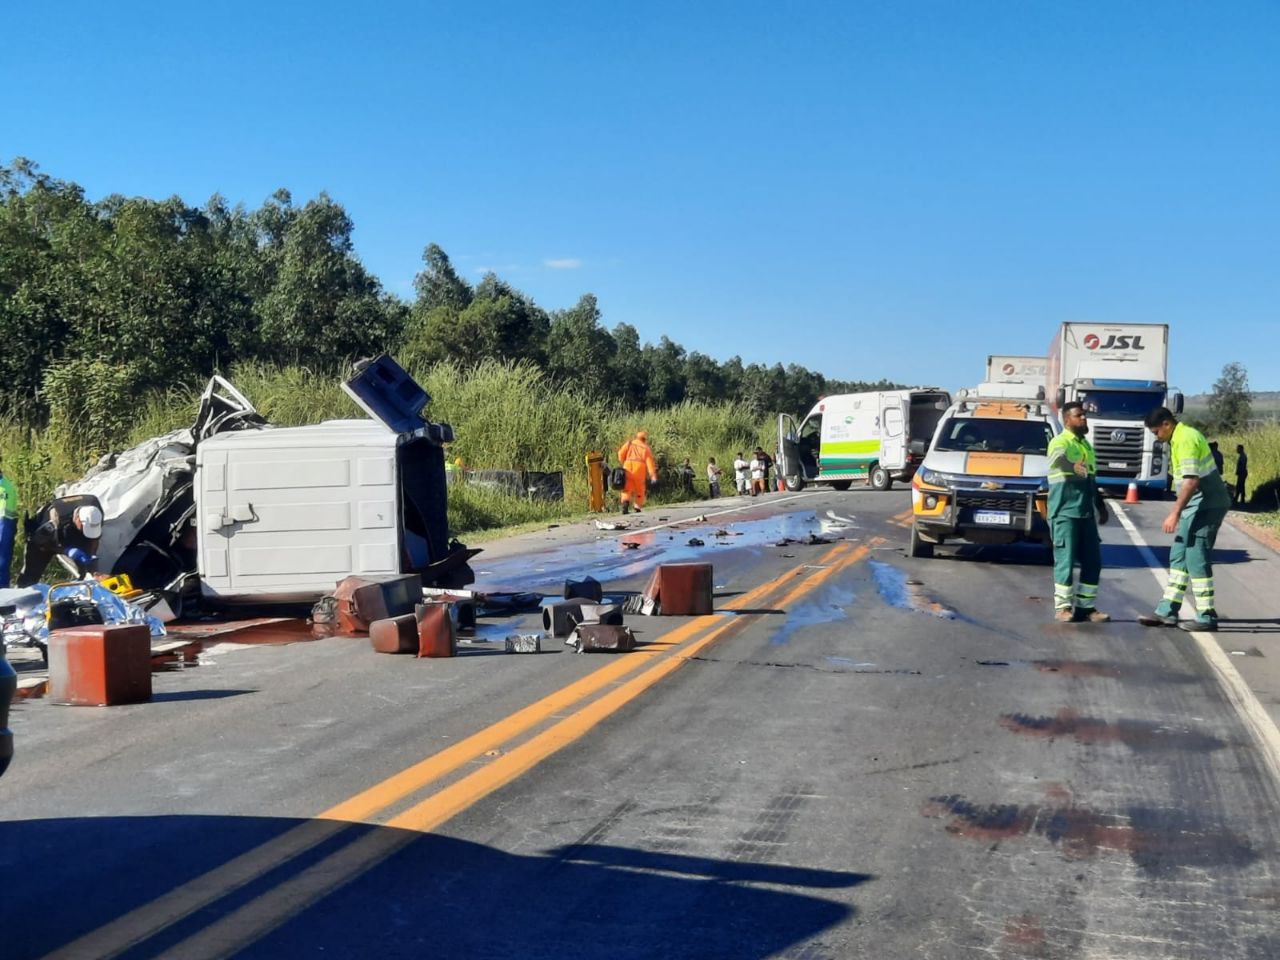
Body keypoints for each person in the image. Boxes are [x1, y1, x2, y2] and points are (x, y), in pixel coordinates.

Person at [1138, 408, 1231, 632]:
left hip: (1207, 505)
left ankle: (1206, 615)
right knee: (1179, 555)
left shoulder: (1185, 438)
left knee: (1196, 554)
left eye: (1157, 432)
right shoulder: (1178, 439)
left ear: (1167, 424)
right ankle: (1167, 610)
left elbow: (1190, 481)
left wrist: (1175, 512)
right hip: (1195, 506)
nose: (1156, 437)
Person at [1045, 402, 1110, 623]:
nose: (1084, 419)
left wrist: (1100, 506)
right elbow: (1057, 459)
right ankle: (1063, 607)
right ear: (1067, 420)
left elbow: (1091, 480)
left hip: (1085, 514)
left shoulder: (1086, 446)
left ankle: (1086, 607)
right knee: (1065, 560)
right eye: (1078, 416)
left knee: (1093, 561)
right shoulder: (1060, 441)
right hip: (1065, 512)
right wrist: (1073, 465)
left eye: (1084, 415)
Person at [17, 494, 104, 587]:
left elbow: (94, 538)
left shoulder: (95, 509)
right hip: (44, 540)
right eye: (84, 528)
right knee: (30, 575)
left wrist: (92, 556)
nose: (85, 531)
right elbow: (41, 545)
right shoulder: (54, 516)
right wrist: (67, 550)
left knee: (87, 572)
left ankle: (85, 592)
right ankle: (21, 592)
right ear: (78, 519)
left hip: (71, 534)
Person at [616, 431, 658, 515]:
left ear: (636, 437)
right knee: (640, 489)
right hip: (639, 469)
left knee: (626, 488)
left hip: (627, 467)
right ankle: (637, 506)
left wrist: (624, 461)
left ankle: (625, 502)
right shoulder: (646, 448)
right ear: (644, 439)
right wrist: (653, 476)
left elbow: (620, 454)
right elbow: (650, 464)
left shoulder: (629, 443)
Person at [0, 463, 17, 587]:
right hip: (6, 526)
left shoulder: (6, 487)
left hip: (5, 525)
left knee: (2, 564)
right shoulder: (8, 485)